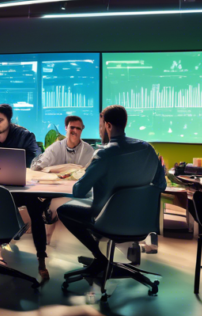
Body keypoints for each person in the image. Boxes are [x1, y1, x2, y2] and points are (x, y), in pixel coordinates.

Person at [57, 105, 166, 276]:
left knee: (63, 210)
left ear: (107, 125)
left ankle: (99, 257)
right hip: (141, 220)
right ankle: (105, 257)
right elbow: (161, 185)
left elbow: (79, 191)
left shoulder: (104, 154)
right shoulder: (148, 149)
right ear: (125, 123)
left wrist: (87, 174)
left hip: (108, 221)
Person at [0, 104, 49, 279]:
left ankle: (41, 257)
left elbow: (37, 159)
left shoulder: (25, 136)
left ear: (9, 121)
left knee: (35, 207)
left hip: (18, 191)